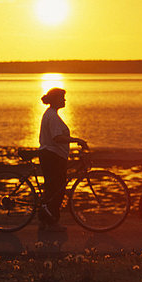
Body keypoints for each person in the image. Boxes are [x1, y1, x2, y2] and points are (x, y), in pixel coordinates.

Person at [38, 87, 88, 232]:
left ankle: (45, 220)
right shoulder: (52, 116)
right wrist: (77, 140)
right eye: (62, 98)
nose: (65, 100)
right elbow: (57, 138)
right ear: (55, 100)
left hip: (52, 155)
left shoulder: (51, 114)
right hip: (52, 156)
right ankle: (52, 221)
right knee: (57, 190)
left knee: (52, 189)